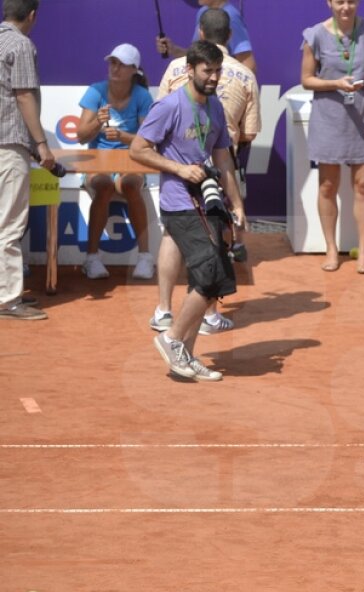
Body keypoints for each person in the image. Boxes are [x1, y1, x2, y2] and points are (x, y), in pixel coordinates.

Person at [131, 41, 245, 382]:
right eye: (207, 70)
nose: (213, 77)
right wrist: (179, 169)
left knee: (208, 278)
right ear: (191, 69)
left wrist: (236, 203)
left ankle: (186, 357)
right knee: (213, 273)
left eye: (217, 71)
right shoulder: (169, 106)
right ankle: (172, 338)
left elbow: (223, 159)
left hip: (209, 202)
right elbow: (138, 149)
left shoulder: (216, 108)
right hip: (179, 203)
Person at [152, 6, 260, 335]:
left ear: (200, 33)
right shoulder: (246, 75)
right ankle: (208, 317)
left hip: (178, 170)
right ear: (230, 35)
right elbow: (250, 133)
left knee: (173, 235)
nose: (212, 78)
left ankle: (164, 310)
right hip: (214, 170)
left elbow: (159, 116)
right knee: (216, 242)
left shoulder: (175, 68)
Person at [301, 0, 364, 275]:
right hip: (328, 116)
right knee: (327, 185)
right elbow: (306, 79)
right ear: (329, 2)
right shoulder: (314, 34)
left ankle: (363, 251)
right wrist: (335, 84)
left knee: (363, 185)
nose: (345, 7)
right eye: (339, 1)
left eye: (351, 1)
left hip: (363, 115)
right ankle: (331, 248)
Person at [75, 44, 155, 280]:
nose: (115, 68)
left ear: (134, 70)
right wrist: (97, 123)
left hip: (130, 163)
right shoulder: (95, 92)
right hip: (98, 164)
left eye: (121, 64)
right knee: (104, 186)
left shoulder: (142, 96)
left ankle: (145, 258)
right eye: (112, 62)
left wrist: (124, 137)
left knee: (131, 185)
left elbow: (148, 141)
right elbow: (81, 136)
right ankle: (91, 258)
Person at [0, 0, 50, 321]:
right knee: (8, 225)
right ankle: (8, 299)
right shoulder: (20, 43)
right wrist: (42, 144)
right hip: (8, 142)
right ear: (32, 15)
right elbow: (24, 95)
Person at [157, 0, 256, 74]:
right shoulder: (202, 13)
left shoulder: (232, 17)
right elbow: (198, 55)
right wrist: (174, 49)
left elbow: (248, 64)